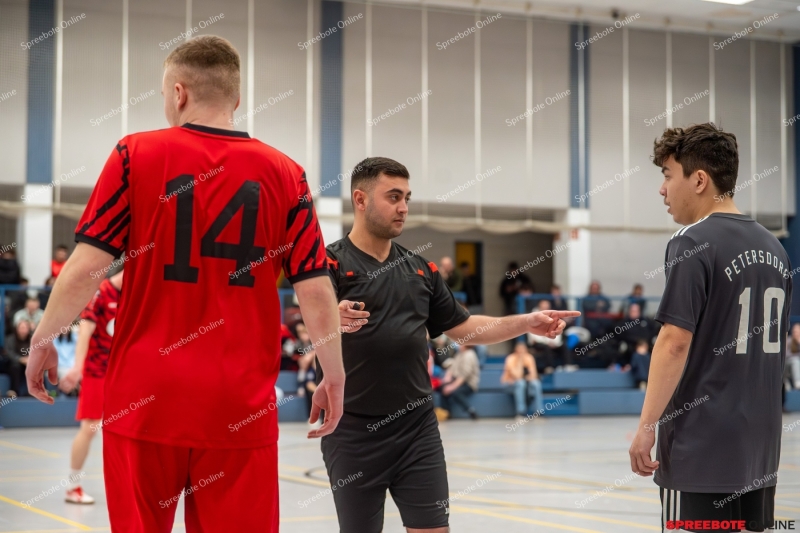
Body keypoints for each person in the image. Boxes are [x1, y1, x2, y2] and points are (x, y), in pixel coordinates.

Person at [24, 35, 345, 533]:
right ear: (236, 99)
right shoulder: (289, 174)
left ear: (178, 93)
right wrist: (334, 373)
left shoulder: (135, 154)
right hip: (238, 405)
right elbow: (315, 287)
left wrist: (45, 339)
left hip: (144, 397)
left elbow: (87, 266)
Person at [322, 156, 578, 533]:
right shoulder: (327, 263)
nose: (404, 207)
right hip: (352, 432)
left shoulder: (421, 271)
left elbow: (465, 327)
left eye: (407, 197)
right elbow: (307, 325)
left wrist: (525, 323)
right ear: (360, 200)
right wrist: (328, 320)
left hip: (416, 430)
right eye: (393, 197)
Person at [628, 123, 793, 533]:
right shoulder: (776, 248)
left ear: (699, 179)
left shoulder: (691, 242)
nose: (662, 190)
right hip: (761, 451)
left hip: (701, 450)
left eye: (668, 175)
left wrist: (646, 428)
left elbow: (673, 343)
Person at [58, 269, 123, 504]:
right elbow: (85, 331)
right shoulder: (101, 293)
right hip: (97, 371)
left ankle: (127, 486)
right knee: (90, 427)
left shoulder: (134, 294)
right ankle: (72, 486)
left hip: (122, 373)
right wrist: (77, 367)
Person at [501, 342, 543, 422]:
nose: (521, 352)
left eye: (523, 350)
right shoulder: (510, 358)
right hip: (509, 384)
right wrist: (520, 360)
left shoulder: (529, 357)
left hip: (525, 382)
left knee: (536, 383)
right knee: (520, 383)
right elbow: (517, 376)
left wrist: (527, 377)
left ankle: (538, 412)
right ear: (515, 350)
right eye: (519, 350)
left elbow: (533, 375)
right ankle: (521, 412)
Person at [439, 344, 481, 420]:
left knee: (456, 392)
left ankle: (471, 411)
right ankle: (447, 413)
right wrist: (448, 376)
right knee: (443, 388)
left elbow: (464, 376)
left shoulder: (469, 355)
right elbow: (452, 367)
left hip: (469, 383)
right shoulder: (460, 353)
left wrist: (452, 387)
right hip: (458, 380)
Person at [1, 320, 32, 396]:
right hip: (13, 364)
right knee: (15, 366)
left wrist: (29, 359)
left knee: (36, 366)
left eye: (25, 328)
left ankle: (35, 390)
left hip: (28, 363)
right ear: (17, 329)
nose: (23, 330)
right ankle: (13, 391)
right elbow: (9, 353)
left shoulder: (32, 339)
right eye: (21, 328)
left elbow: (37, 352)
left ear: (28, 329)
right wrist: (20, 359)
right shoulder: (10, 339)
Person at [785, 323, 800, 390]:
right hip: (788, 365)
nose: (795, 333)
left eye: (797, 332)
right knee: (795, 361)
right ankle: (797, 383)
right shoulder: (789, 341)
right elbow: (786, 356)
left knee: (796, 361)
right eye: (794, 332)